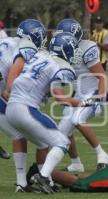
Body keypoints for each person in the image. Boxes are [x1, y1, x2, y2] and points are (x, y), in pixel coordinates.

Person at [5, 32, 89, 194]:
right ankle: (42, 176)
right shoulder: (62, 66)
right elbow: (58, 96)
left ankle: (44, 181)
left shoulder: (40, 55)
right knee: (63, 142)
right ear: (67, 50)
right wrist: (80, 102)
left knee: (43, 143)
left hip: (11, 107)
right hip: (25, 108)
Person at [55, 18, 108, 172]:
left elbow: (102, 76)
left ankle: (102, 154)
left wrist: (101, 98)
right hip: (78, 94)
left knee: (77, 119)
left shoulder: (86, 48)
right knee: (62, 132)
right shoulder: (62, 50)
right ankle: (76, 164)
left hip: (93, 93)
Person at [0, 19, 48, 192]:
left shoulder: (9, 41)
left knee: (20, 133)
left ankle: (23, 182)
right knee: (22, 133)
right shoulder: (22, 51)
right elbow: (9, 89)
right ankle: (23, 182)